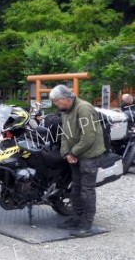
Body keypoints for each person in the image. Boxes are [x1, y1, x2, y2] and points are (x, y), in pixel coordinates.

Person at [50, 84, 106, 238]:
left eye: (56, 102)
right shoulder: (65, 110)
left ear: (64, 98)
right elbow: (64, 134)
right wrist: (66, 153)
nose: (56, 105)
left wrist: (73, 152)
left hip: (89, 154)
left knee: (86, 190)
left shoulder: (84, 108)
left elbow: (89, 137)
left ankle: (86, 225)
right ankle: (76, 218)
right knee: (75, 188)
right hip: (75, 154)